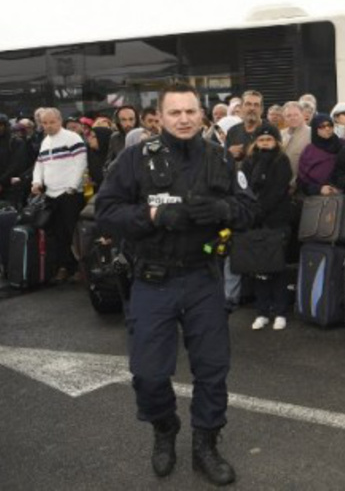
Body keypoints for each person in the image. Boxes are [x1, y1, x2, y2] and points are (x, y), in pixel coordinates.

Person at [95, 82, 257, 485]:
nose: (183, 119)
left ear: (201, 114)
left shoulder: (220, 158)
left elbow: (249, 210)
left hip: (202, 278)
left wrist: (222, 207)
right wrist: (151, 218)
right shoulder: (135, 159)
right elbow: (106, 211)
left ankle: (206, 444)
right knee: (149, 375)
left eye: (190, 111)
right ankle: (164, 428)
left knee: (212, 370)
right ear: (160, 117)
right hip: (152, 280)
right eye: (175, 113)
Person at [242, 123, 295, 331]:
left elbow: (278, 190)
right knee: (258, 269)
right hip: (256, 222)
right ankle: (262, 311)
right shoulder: (248, 162)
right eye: (261, 140)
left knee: (277, 268)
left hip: (276, 221)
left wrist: (259, 210)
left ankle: (280, 312)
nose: (265, 143)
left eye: (269, 140)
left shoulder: (282, 161)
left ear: (276, 141)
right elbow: (244, 188)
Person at [31, 108, 87, 283]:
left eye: (51, 122)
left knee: (74, 233)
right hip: (51, 193)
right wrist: (36, 182)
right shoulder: (45, 141)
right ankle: (65, 267)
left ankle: (82, 268)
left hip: (69, 194)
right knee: (57, 234)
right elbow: (39, 164)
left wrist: (72, 186)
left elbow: (81, 162)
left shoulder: (72, 138)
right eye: (44, 123)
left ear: (60, 120)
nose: (48, 126)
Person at [298, 114, 344, 197]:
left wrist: (342, 187)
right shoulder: (309, 151)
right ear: (315, 129)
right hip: (318, 199)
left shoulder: (344, 145)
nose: (327, 128)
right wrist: (319, 189)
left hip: (344, 195)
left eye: (329, 125)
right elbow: (302, 180)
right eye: (321, 126)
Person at [225, 90, 264, 163]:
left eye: (256, 105)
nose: (252, 108)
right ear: (241, 108)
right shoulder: (233, 131)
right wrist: (229, 154)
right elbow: (225, 161)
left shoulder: (271, 130)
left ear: (261, 109)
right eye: (248, 104)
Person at [0, 113, 29, 207]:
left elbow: (16, 165)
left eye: (1, 125)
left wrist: (2, 181)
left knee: (10, 215)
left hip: (12, 187)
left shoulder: (16, 141)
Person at [281, 101, 311, 181]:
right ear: (284, 118)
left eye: (296, 115)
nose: (293, 118)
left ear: (302, 115)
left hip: (304, 183)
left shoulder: (312, 133)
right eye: (288, 115)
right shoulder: (280, 134)